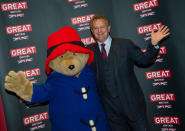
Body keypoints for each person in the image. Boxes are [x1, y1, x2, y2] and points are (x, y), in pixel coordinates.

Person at [88, 14, 170, 131]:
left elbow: (144, 60)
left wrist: (153, 44)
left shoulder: (125, 45)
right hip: (110, 112)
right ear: (92, 31)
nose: (99, 31)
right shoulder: (89, 51)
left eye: (102, 27)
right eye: (95, 28)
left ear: (109, 28)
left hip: (133, 106)